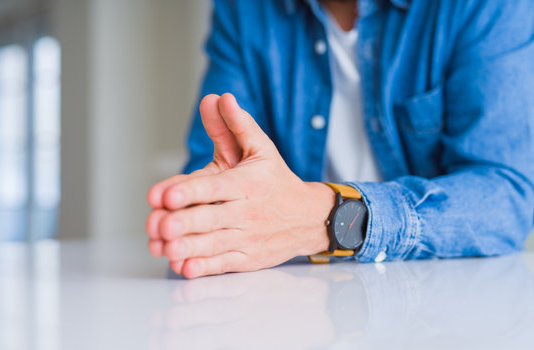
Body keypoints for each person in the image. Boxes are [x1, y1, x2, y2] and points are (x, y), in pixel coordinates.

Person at [146, 0, 534, 279]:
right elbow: (213, 170)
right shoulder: (244, 10)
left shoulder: (485, 6)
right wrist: (210, 212)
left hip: (443, 309)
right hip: (284, 305)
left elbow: (507, 196)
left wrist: (326, 218)